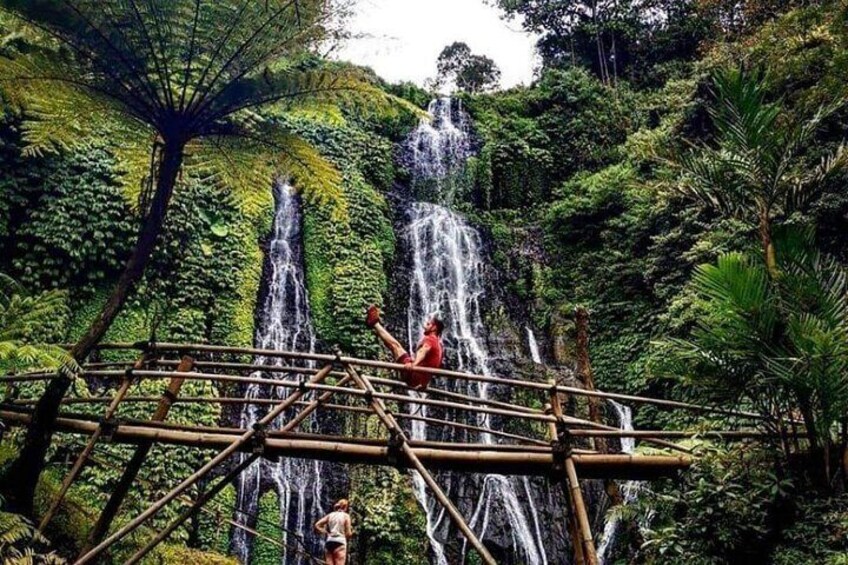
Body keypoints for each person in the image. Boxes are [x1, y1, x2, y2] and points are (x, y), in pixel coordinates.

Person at [366, 305, 444, 391]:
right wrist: (424, 384)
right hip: (419, 380)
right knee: (395, 347)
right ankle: (375, 324)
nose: (424, 326)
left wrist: (413, 365)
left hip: (413, 375)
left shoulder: (430, 339)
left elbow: (423, 351)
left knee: (395, 346)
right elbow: (432, 368)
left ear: (434, 328)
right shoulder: (439, 345)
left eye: (428, 324)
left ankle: (374, 323)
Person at [314, 499, 353, 565]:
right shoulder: (346, 516)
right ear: (345, 507)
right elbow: (348, 534)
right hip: (340, 542)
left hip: (329, 541)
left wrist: (326, 532)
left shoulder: (330, 515)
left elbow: (317, 525)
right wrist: (352, 533)